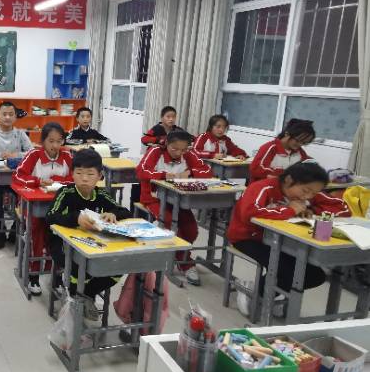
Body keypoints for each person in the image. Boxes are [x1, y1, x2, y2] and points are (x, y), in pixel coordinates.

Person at [227, 161, 349, 317]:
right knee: (286, 270)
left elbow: (342, 208)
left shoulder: (308, 192)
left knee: (315, 275)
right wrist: (289, 210)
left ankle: (269, 293)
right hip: (248, 238)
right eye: (305, 191)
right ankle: (255, 293)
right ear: (289, 180)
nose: (308, 196)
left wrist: (312, 209)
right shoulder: (262, 187)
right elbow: (249, 213)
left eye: (313, 194)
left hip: (284, 242)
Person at [46, 150, 132, 321]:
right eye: (79, 173)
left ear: (100, 176)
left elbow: (125, 211)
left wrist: (113, 213)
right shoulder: (66, 193)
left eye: (90, 174)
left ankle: (85, 295)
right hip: (62, 246)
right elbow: (50, 216)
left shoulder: (101, 195)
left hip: (93, 245)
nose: (84, 179)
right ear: (72, 174)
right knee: (79, 269)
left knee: (117, 268)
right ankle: (76, 299)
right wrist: (75, 218)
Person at [137, 130, 213, 286]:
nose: (179, 153)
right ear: (167, 144)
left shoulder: (188, 154)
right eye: (175, 149)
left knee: (192, 230)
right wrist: (163, 175)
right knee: (171, 224)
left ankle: (178, 255)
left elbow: (207, 171)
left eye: (183, 150)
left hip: (179, 200)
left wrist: (191, 172)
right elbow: (141, 171)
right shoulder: (155, 151)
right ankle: (185, 263)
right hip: (154, 198)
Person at [13, 122, 73, 294]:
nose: (55, 145)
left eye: (59, 141)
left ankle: (57, 276)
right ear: (43, 141)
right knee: (37, 233)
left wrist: (57, 181)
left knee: (61, 237)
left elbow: (75, 177)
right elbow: (18, 176)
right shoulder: (34, 155)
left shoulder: (67, 156)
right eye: (51, 141)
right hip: (33, 205)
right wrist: (38, 181)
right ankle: (34, 275)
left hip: (59, 206)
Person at [0, 101, 33, 249]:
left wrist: (16, 155)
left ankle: (14, 231)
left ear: (15, 117)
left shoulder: (20, 134)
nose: (7, 117)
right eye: (4, 114)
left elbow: (31, 152)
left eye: (11, 114)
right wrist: (2, 155)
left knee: (24, 201)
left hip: (17, 179)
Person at [250, 118, 315, 182]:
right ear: (287, 134)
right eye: (297, 140)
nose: (300, 144)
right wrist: (282, 177)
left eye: (304, 143)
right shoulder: (271, 148)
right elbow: (256, 169)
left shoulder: (300, 152)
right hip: (265, 185)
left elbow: (305, 168)